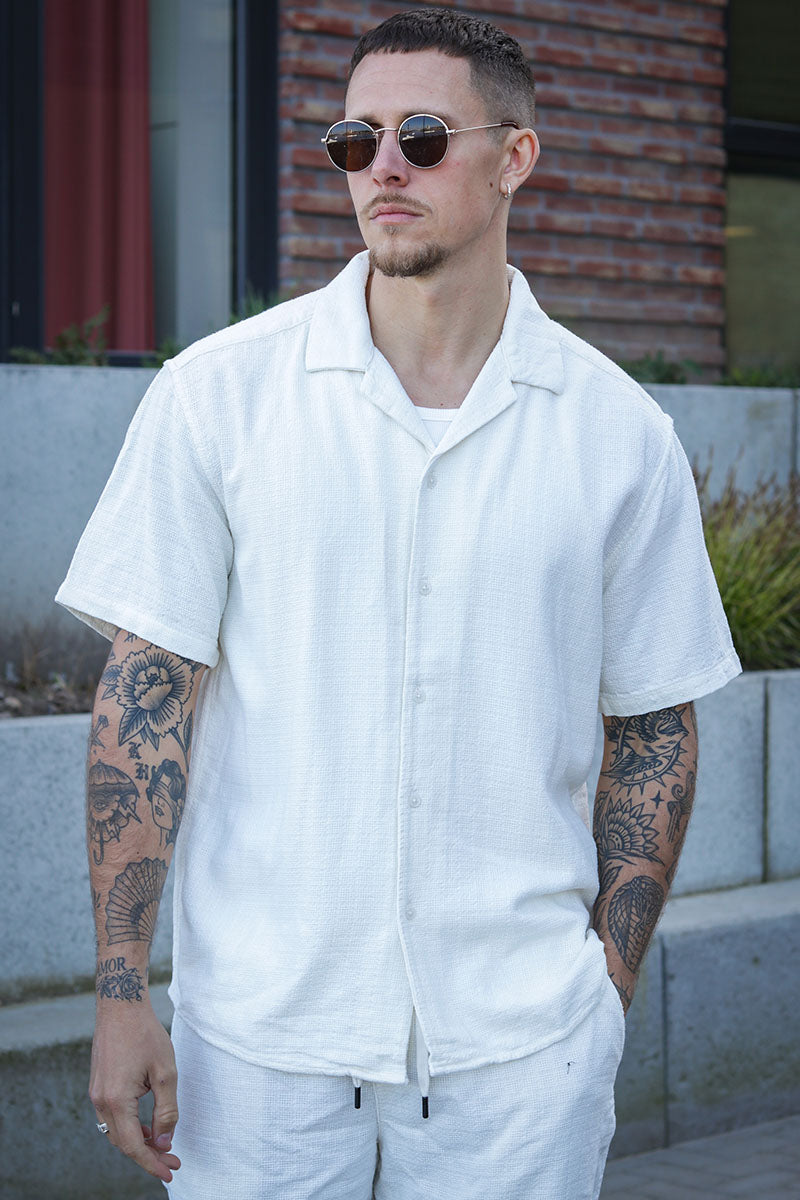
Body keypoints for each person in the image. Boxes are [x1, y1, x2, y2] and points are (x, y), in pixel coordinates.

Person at [56, 8, 741, 1198]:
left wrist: (604, 991)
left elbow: (651, 725)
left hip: (518, 1054)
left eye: (420, 136)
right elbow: (143, 700)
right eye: (352, 139)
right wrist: (121, 993)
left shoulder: (616, 434)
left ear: (514, 157)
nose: (380, 167)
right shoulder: (217, 397)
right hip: (260, 1047)